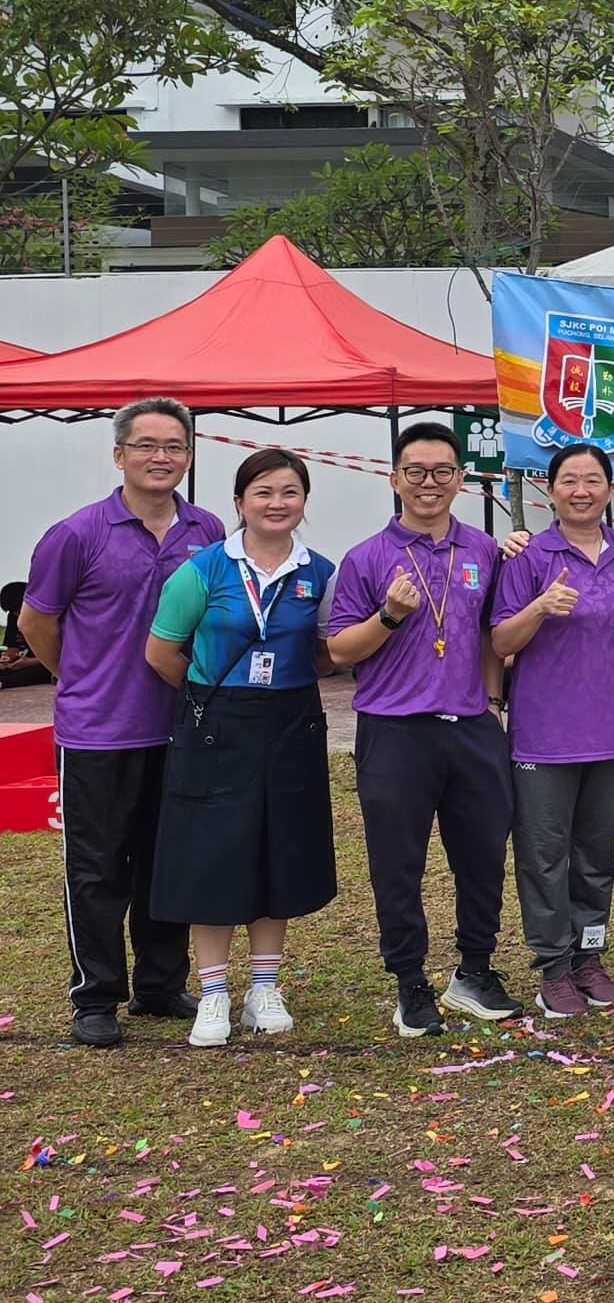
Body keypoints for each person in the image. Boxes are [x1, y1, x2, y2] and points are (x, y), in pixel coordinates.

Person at [23, 397, 226, 1047]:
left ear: (189, 456)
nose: (161, 457)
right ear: (119, 455)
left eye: (174, 446)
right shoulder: (77, 534)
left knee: (168, 863)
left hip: (181, 730)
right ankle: (96, 999)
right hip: (98, 734)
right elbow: (36, 624)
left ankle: (161, 985)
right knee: (98, 869)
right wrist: (81, 682)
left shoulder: (208, 530)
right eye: (147, 445)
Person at [327, 421, 521, 1038]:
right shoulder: (367, 557)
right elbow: (337, 650)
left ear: (461, 479)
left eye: (442, 472)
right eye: (415, 472)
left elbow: (495, 633)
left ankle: (475, 970)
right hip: (394, 731)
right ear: (394, 478)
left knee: (483, 856)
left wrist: (491, 701)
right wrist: (389, 615)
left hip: (470, 726)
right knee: (398, 863)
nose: (429, 484)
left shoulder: (485, 551)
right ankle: (410, 983)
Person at [141, 448, 338, 1047]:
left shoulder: (321, 572)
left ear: (303, 502)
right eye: (263, 493)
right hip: (216, 723)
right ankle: (214, 993)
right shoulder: (203, 569)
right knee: (213, 855)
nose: (277, 504)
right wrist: (213, 699)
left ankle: (264, 988)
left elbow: (328, 651)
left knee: (278, 849)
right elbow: (161, 652)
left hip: (291, 722)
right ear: (239, 503)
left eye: (289, 493)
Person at [490, 443, 614, 1021]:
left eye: (593, 480)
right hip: (545, 736)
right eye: (569, 480)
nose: (581, 490)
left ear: (610, 489)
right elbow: (502, 641)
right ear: (549, 490)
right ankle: (552, 967)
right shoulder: (529, 556)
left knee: (596, 855)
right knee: (544, 855)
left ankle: (589, 957)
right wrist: (539, 608)